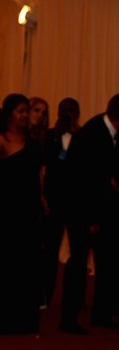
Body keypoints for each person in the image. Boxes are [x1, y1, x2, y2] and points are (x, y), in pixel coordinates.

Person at [0, 93, 44, 334]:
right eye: (20, 111)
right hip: (7, 215)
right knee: (9, 265)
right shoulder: (0, 141)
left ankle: (28, 320)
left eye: (26, 111)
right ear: (10, 114)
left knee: (30, 264)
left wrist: (43, 201)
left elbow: (39, 175)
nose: (25, 115)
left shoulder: (33, 140)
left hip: (29, 212)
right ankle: (8, 320)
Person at [68, 94, 119, 328]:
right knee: (78, 264)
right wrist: (90, 218)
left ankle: (102, 314)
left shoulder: (111, 133)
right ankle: (69, 319)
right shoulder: (90, 134)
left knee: (107, 263)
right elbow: (80, 181)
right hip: (83, 211)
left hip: (107, 211)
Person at [41, 98, 87, 332]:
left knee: (78, 253)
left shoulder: (84, 136)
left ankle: (76, 300)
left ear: (77, 114)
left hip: (77, 202)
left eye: (71, 111)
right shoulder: (50, 136)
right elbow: (42, 167)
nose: (67, 114)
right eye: (63, 111)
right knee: (49, 249)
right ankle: (45, 295)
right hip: (53, 201)